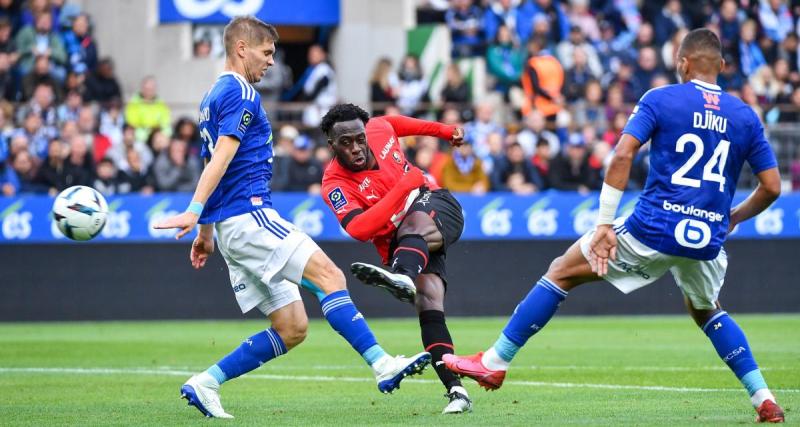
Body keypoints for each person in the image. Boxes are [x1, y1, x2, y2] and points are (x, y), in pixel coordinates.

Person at [442, 29, 785, 423]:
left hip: (654, 225)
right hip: (706, 237)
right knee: (707, 310)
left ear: (683, 63)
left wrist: (605, 223)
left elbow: (623, 152)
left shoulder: (660, 99)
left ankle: (495, 360)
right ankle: (763, 398)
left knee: (561, 272)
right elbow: (772, 186)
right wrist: (731, 219)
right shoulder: (745, 115)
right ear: (722, 67)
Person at [153, 16, 430, 419]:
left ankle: (206, 382)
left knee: (293, 326)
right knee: (330, 278)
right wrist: (195, 212)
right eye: (266, 54)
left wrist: (206, 231)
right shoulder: (242, 93)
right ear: (242, 48)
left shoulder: (211, 96)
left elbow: (212, 163)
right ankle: (382, 364)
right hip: (250, 216)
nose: (271, 63)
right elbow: (223, 156)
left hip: (231, 227)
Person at [319, 103, 472, 414]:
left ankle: (402, 275)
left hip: (435, 204)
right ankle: (456, 390)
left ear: (366, 131)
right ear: (332, 145)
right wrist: (403, 185)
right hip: (401, 242)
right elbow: (360, 229)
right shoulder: (334, 183)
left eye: (359, 139)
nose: (356, 148)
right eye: (345, 143)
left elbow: (404, 124)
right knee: (429, 304)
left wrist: (445, 131)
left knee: (414, 222)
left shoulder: (378, 127)